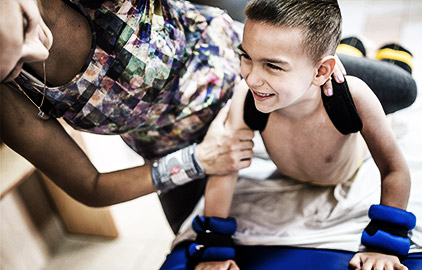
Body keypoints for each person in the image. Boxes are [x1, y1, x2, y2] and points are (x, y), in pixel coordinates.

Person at [0, 0, 347, 234]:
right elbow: (90, 187)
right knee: (193, 246)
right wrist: (197, 160)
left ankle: (351, 48)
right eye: (13, 67)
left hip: (235, 64)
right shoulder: (8, 95)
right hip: (177, 148)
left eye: (26, 28)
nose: (35, 51)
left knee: (398, 91)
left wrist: (307, 60)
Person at [184, 0, 416, 269]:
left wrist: (384, 245)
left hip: (341, 95)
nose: (251, 78)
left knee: (403, 85)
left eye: (272, 65)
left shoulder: (353, 97)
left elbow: (394, 169)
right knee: (313, 57)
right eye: (246, 56)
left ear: (321, 71)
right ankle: (350, 45)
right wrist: (214, 248)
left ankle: (389, 52)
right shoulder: (246, 98)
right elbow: (225, 167)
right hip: (312, 73)